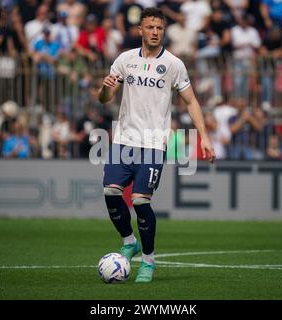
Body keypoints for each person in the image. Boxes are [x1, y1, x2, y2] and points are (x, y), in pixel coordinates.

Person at [98, 7, 216, 283]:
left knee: (140, 201)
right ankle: (129, 242)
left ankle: (148, 261)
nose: (154, 32)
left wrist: (204, 137)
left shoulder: (174, 64)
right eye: (149, 27)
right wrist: (104, 87)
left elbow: (191, 101)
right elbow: (105, 97)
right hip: (124, 139)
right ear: (140, 30)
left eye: (159, 28)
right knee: (110, 192)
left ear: (163, 31)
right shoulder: (125, 60)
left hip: (153, 143)